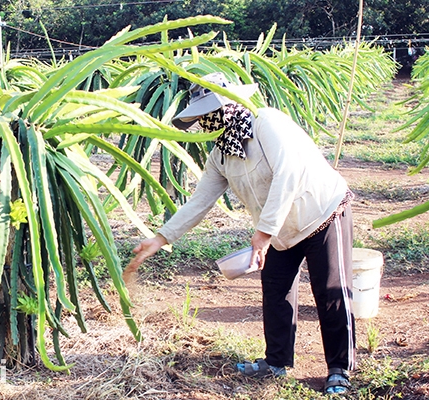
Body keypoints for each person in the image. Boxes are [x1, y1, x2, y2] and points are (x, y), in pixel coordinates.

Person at [124, 72, 356, 395]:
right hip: (279, 230)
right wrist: (161, 238)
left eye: (211, 112)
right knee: (275, 289)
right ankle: (276, 363)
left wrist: (263, 233)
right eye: (203, 116)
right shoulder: (221, 155)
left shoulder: (266, 124)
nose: (208, 121)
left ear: (229, 105)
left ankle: (339, 370)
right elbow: (199, 202)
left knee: (330, 291)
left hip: (321, 212)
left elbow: (288, 172)